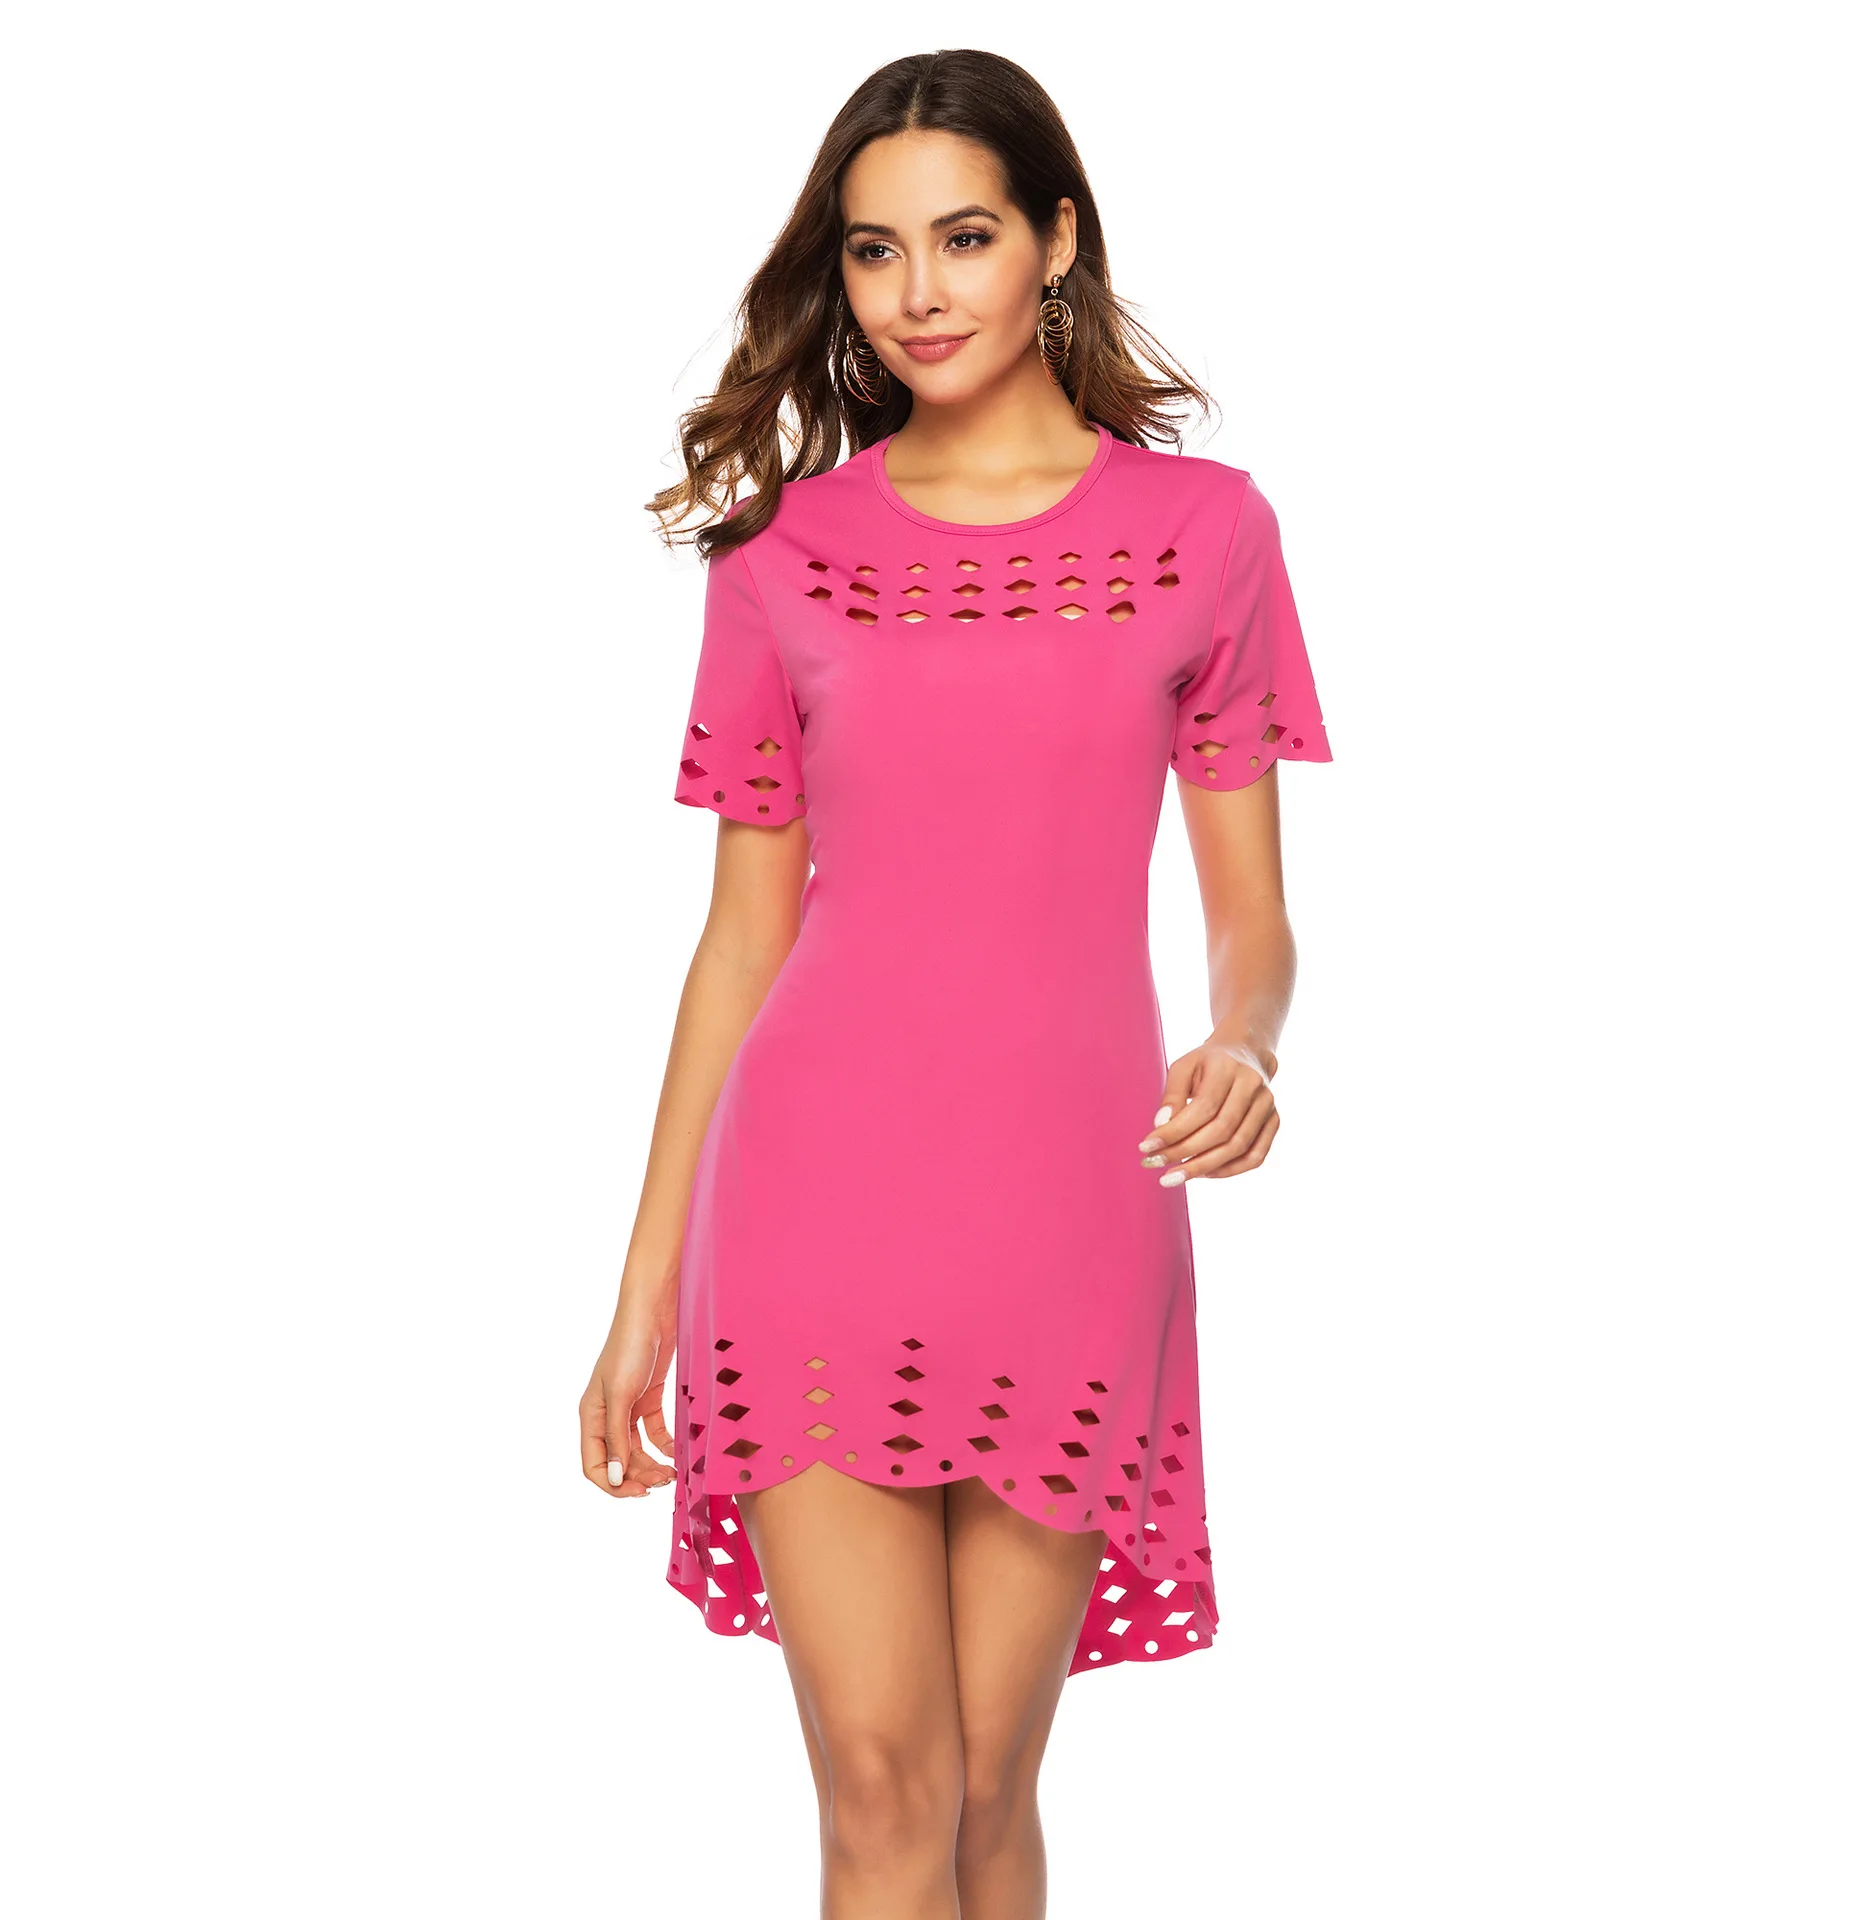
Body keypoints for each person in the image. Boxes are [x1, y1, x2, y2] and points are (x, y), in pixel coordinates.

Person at [579, 48, 1333, 1919]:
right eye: (874, 251)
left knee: (990, 1794)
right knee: (885, 1793)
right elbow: (740, 941)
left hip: (1072, 1208)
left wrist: (1244, 1043)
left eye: (966, 238)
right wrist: (643, 1291)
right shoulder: (786, 558)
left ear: (1057, 241)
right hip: (811, 1207)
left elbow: (1252, 913)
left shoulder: (1206, 535)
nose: (918, 292)